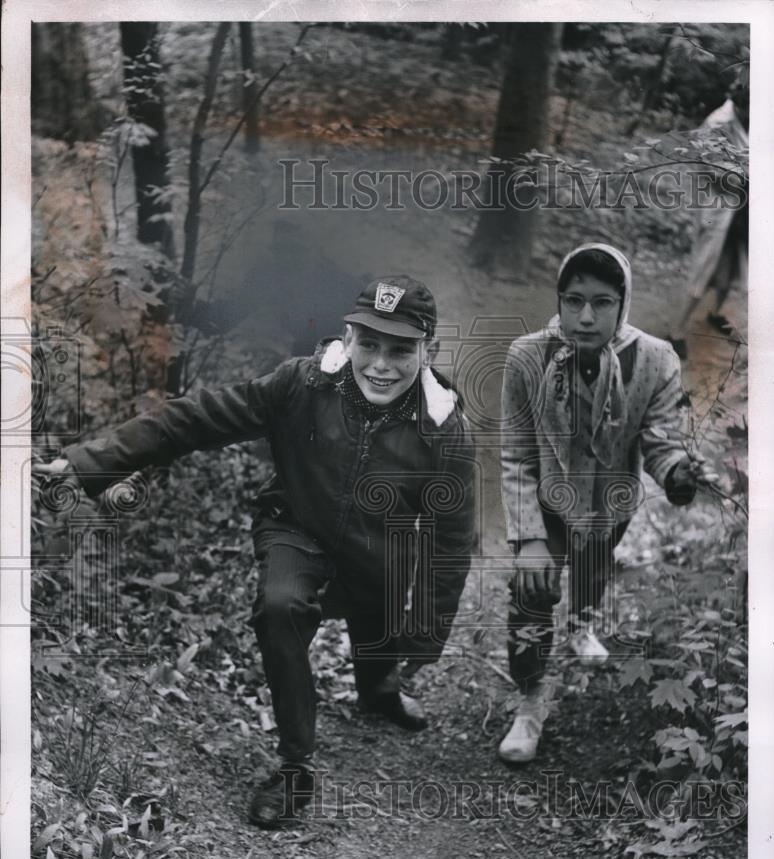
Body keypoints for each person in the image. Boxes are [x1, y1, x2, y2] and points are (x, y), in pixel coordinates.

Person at [35, 275, 476, 826]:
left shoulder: (444, 430)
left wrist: (426, 632)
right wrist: (91, 463)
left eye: (400, 349)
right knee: (280, 607)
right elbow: (195, 418)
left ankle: (380, 689)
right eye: (369, 344)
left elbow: (453, 539)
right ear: (348, 338)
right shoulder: (303, 384)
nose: (381, 364)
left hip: (382, 548)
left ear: (427, 350)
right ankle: (295, 767)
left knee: (378, 631)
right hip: (297, 526)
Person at [499, 243, 715, 765]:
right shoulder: (527, 356)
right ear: (559, 300)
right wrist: (528, 537)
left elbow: (661, 442)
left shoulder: (656, 358)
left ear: (623, 304)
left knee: (594, 563)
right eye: (573, 301)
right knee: (530, 594)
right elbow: (516, 455)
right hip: (550, 501)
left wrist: (679, 474)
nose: (586, 316)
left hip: (612, 499)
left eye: (602, 302)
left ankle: (582, 623)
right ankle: (529, 703)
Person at [677, 96, 748, 340]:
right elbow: (713, 167)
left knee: (730, 271)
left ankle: (714, 313)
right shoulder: (718, 122)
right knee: (702, 267)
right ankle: (675, 332)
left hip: (741, 209)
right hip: (716, 206)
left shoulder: (755, 119)